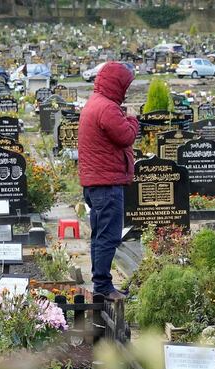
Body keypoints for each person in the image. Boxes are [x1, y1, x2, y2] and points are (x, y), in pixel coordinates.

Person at [77, 62, 139, 301]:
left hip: (97, 182)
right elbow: (126, 136)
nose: (126, 92)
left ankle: (101, 283)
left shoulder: (95, 102)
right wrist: (133, 118)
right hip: (106, 184)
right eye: (125, 85)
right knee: (109, 236)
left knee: (99, 235)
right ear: (117, 84)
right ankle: (103, 287)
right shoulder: (107, 108)